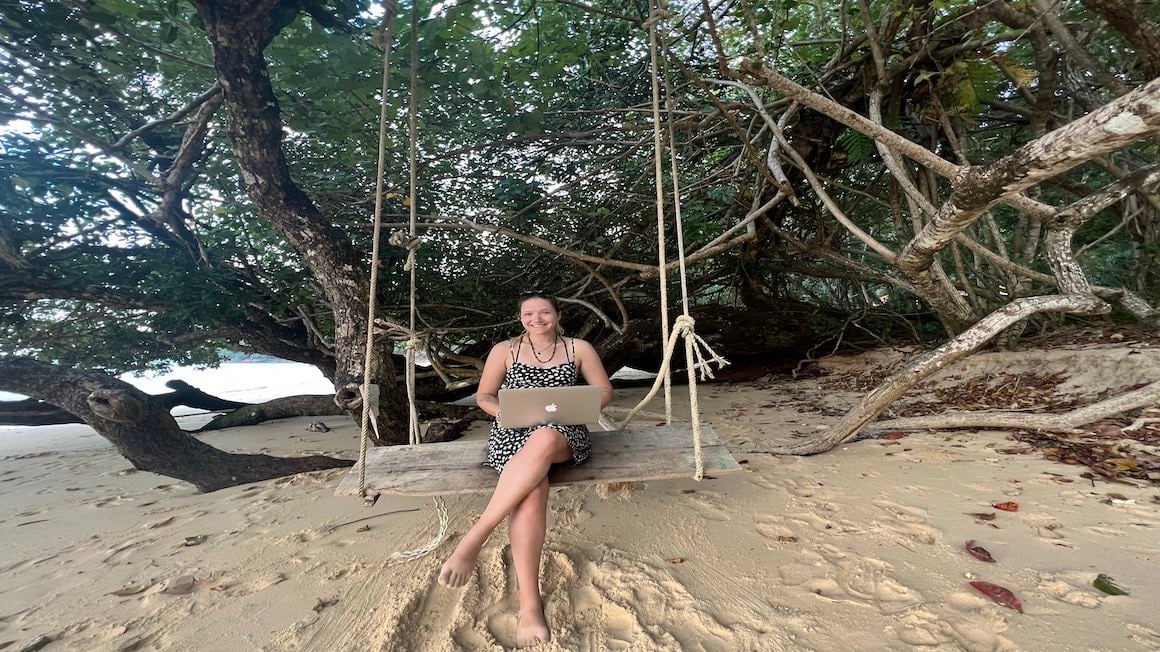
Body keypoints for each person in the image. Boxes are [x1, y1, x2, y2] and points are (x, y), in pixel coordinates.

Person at [438, 289, 613, 647]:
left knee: (547, 436)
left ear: (558, 314)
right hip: (511, 433)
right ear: (521, 318)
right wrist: (500, 411)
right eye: (528, 314)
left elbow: (605, 391)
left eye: (544, 313)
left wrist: (580, 404)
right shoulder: (505, 351)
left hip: (563, 431)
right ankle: (531, 605)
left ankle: (475, 536)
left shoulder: (579, 349)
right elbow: (485, 395)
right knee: (532, 494)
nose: (537, 320)